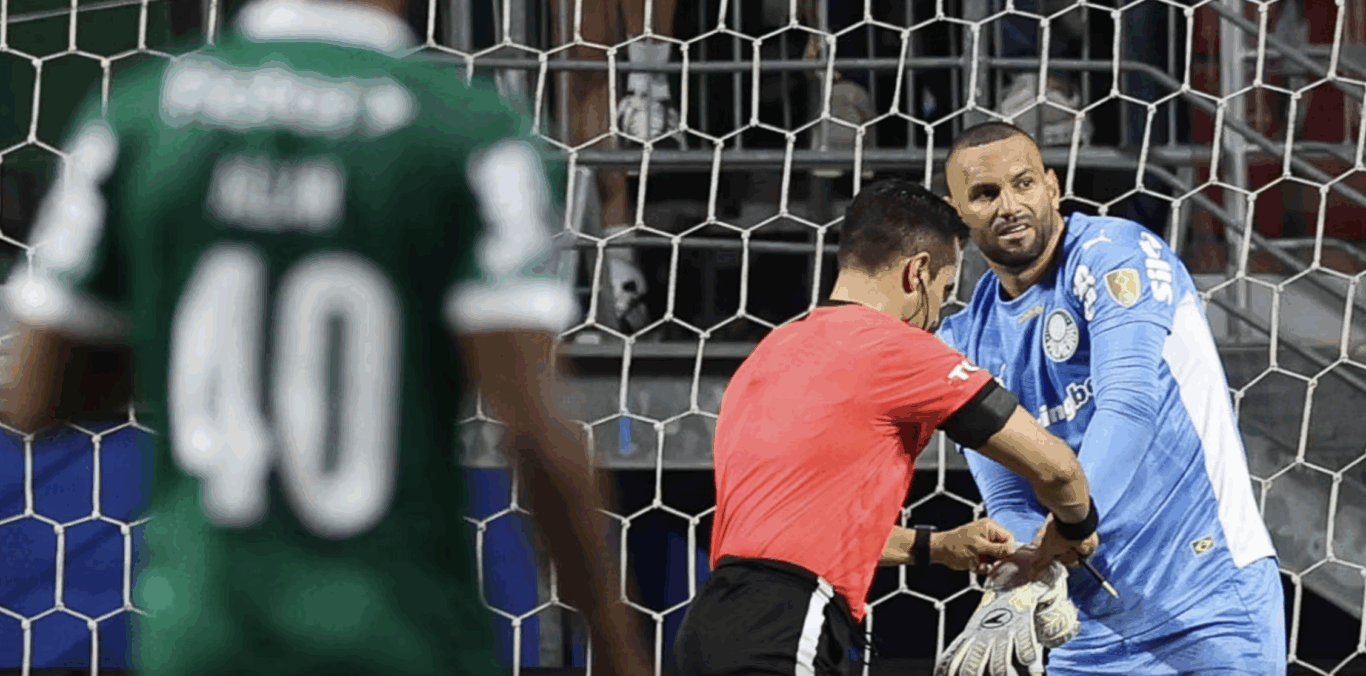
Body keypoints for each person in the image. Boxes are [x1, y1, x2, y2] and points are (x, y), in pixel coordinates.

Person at [0, 1, 647, 675]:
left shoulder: (138, 115)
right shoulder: (469, 130)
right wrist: (618, 646)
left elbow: (37, 398)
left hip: (204, 635)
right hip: (400, 633)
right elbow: (537, 432)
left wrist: (190, 345)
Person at [668, 179, 1101, 676]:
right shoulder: (896, 349)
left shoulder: (772, 353)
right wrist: (1075, 529)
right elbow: (1055, 467)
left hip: (713, 623)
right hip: (789, 625)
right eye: (944, 291)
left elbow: (799, 526)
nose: (939, 315)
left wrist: (937, 548)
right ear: (917, 273)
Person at [937, 121, 1285, 676]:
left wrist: (1068, 529)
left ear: (1052, 186)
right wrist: (1016, 578)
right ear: (958, 215)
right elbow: (1009, 498)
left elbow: (1128, 406)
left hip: (1208, 597)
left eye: (1023, 184)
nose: (1009, 205)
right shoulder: (965, 339)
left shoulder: (1114, 254)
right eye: (985, 194)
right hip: (1089, 628)